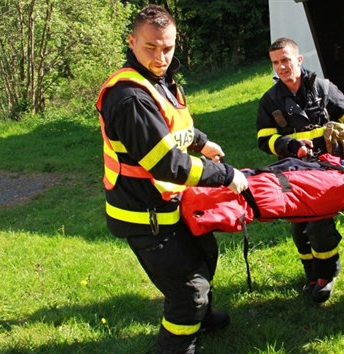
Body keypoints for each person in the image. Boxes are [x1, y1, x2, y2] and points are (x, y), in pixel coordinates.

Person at [95, 5, 248, 353]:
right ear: (132, 42)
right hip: (144, 215)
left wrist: (202, 142)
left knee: (205, 256)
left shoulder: (160, 82)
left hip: (171, 203)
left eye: (167, 47)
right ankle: (178, 344)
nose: (161, 56)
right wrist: (226, 175)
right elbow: (166, 164)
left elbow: (175, 128)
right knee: (188, 293)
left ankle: (202, 319)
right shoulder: (129, 96)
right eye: (150, 47)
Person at [256, 37, 344, 303]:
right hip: (293, 172)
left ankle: (326, 275)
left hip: (325, 171)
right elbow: (264, 139)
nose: (281, 67)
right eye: (276, 63)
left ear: (298, 59)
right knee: (299, 227)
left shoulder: (322, 88)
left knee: (320, 224)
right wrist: (290, 145)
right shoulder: (269, 100)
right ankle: (310, 273)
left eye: (285, 60)